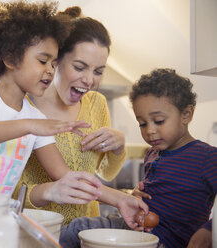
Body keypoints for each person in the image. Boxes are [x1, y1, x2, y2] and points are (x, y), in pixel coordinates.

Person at [0, 0, 103, 198]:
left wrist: (121, 199)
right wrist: (29, 125)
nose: (50, 70)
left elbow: (64, 175)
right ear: (11, 59)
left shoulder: (35, 119)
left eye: (54, 64)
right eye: (43, 61)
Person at [12, 5, 148, 232]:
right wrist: (49, 190)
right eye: (79, 67)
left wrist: (118, 145)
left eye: (98, 71)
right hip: (36, 233)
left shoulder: (97, 104)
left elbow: (105, 173)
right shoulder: (24, 107)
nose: (89, 80)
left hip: (87, 232)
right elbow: (9, 194)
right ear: (56, 61)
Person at [61, 68, 217, 248]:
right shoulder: (152, 153)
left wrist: (209, 229)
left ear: (186, 114)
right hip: (135, 233)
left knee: (78, 229)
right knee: (78, 230)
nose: (149, 130)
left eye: (158, 121)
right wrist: (135, 196)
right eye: (142, 123)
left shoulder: (207, 157)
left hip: (170, 242)